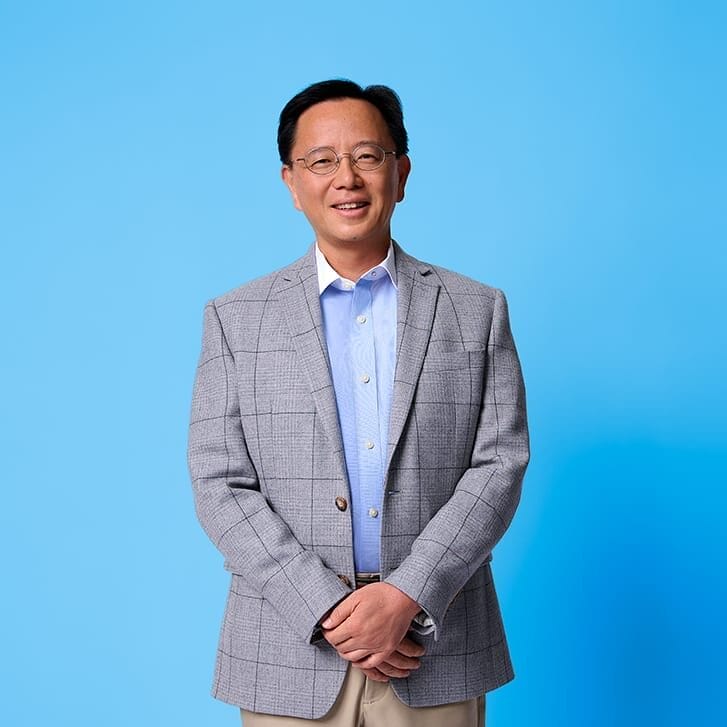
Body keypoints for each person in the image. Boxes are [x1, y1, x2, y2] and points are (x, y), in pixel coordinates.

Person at [187, 79, 529, 726]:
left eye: (367, 156)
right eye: (321, 160)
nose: (346, 177)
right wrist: (322, 606)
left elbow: (499, 463)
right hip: (288, 648)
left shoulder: (475, 310)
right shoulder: (235, 319)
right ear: (290, 181)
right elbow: (218, 482)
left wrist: (407, 593)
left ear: (400, 173)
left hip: (434, 643)